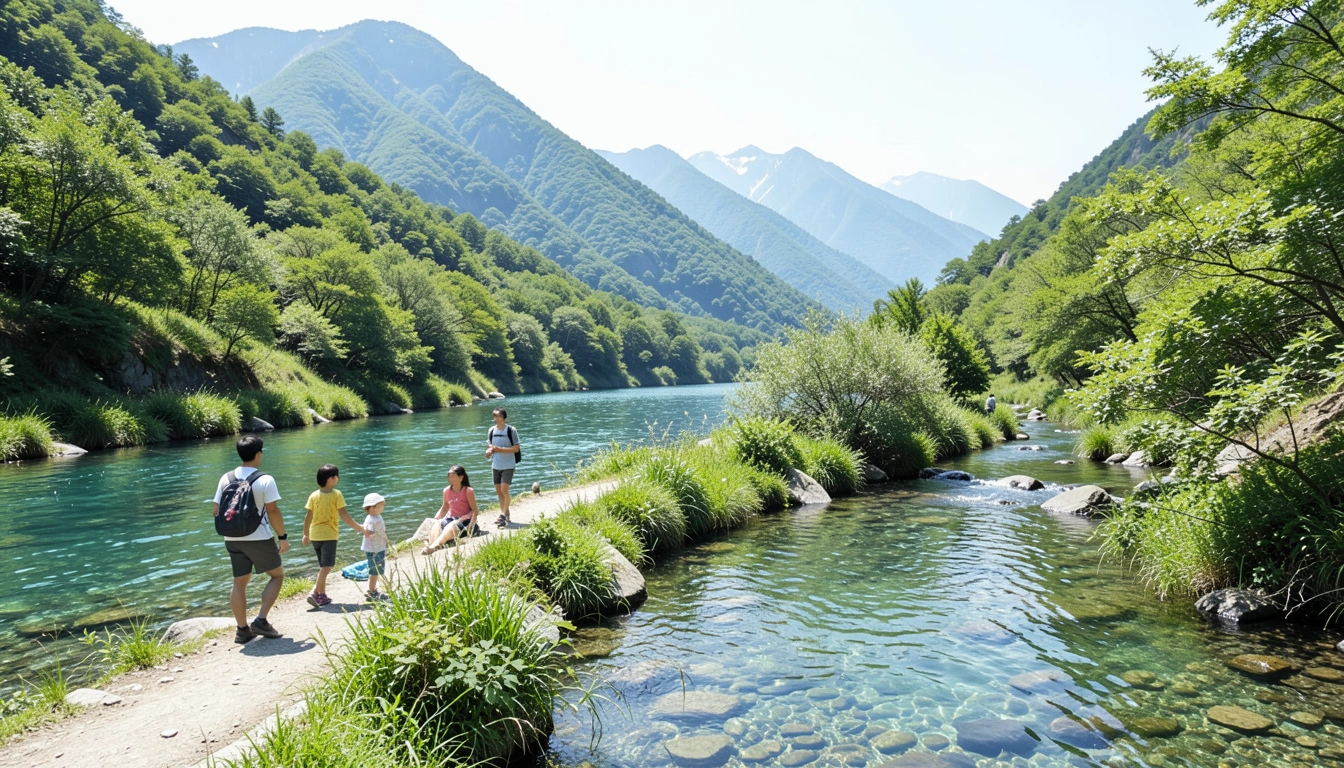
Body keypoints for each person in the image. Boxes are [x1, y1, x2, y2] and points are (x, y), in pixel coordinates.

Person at [213, 435, 288, 644]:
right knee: (277, 575)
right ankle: (261, 620)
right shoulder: (265, 479)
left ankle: (242, 630)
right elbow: (272, 510)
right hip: (259, 537)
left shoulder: (225, 478)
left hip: (231, 537)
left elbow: (216, 510)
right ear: (258, 454)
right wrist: (283, 537)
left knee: (239, 582)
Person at [301, 464, 365, 608]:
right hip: (329, 535)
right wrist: (359, 528)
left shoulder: (314, 495)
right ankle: (314, 592)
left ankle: (322, 596)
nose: (338, 479)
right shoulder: (336, 494)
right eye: (336, 476)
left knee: (323, 566)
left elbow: (308, 517)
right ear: (331, 479)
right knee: (327, 566)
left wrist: (305, 534)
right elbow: (344, 515)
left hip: (315, 535)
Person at [421, 465, 479, 554]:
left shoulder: (468, 490)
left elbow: (475, 510)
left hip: (465, 521)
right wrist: (435, 520)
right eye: (449, 476)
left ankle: (433, 547)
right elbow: (444, 508)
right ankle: (430, 545)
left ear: (461, 477)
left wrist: (463, 519)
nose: (451, 478)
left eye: (453, 476)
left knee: (451, 526)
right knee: (437, 524)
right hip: (451, 518)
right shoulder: (446, 491)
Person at [486, 408, 520, 528]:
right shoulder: (491, 430)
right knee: (499, 492)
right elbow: (490, 444)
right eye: (494, 416)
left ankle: (502, 516)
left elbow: (516, 448)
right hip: (496, 465)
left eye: (498, 416)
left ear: (504, 417)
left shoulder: (511, 430)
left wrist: (501, 449)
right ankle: (505, 513)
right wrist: (489, 451)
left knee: (504, 490)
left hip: (508, 465)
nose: (496, 418)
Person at [360, 492, 390, 602]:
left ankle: (372, 590)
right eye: (382, 505)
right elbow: (370, 532)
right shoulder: (374, 519)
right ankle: (371, 591)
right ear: (373, 508)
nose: (383, 506)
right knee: (375, 570)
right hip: (376, 548)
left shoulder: (372, 517)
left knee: (375, 569)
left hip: (373, 547)